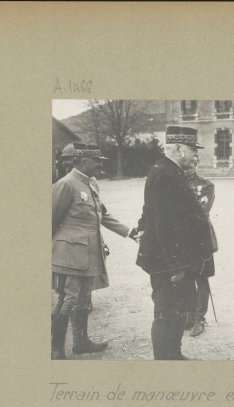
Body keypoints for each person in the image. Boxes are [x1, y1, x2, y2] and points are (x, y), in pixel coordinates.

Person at [51, 142, 138, 360]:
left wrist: (129, 232)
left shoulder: (90, 185)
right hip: (69, 255)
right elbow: (50, 221)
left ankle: (81, 342)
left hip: (90, 253)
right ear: (83, 161)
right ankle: (55, 348)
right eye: (96, 161)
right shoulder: (66, 185)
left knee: (84, 298)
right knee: (68, 298)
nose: (99, 165)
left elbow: (102, 215)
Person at [136, 126, 214, 360]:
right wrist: (177, 266)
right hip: (169, 264)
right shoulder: (166, 174)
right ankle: (165, 361)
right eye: (192, 149)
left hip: (173, 260)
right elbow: (165, 224)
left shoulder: (169, 170)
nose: (195, 155)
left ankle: (174, 356)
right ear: (179, 149)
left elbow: (150, 211)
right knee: (167, 312)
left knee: (177, 310)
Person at [184, 154, 218, 337]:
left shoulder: (206, 185)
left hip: (201, 237)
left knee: (202, 277)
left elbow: (201, 211)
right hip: (182, 239)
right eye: (186, 165)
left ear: (197, 164)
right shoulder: (175, 182)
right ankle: (189, 315)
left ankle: (199, 318)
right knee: (186, 276)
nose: (188, 168)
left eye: (192, 164)